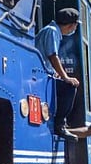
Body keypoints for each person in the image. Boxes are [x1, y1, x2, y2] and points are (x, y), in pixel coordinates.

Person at [34, 7, 81, 141]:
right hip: (39, 76)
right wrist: (66, 77)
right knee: (69, 87)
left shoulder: (51, 31)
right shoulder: (52, 31)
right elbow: (52, 55)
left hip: (43, 73)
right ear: (72, 25)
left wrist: (56, 73)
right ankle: (59, 124)